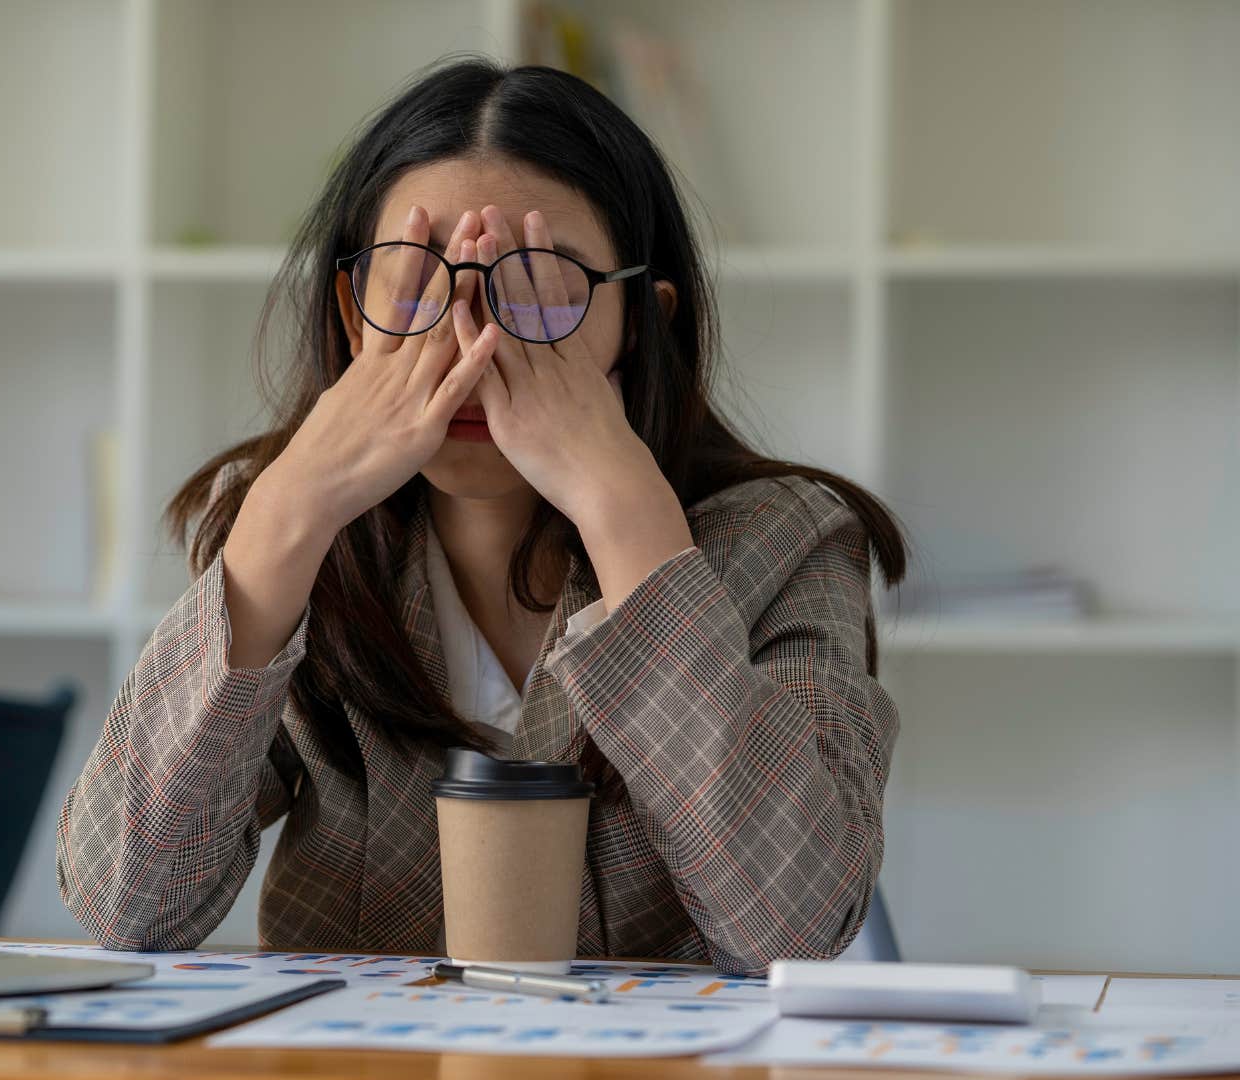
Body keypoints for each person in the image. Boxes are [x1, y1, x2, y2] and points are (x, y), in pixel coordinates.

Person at [57, 58, 906, 974]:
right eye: (417, 282)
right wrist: (286, 515)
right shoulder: (292, 534)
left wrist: (629, 520)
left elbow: (794, 928)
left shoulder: (789, 540)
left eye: (537, 285)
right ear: (353, 313)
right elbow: (124, 905)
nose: (470, 339)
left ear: (642, 322)